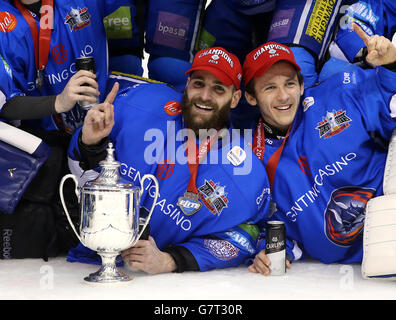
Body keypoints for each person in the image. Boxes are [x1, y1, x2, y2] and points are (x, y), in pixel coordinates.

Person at [65, 46, 271, 274]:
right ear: (188, 84)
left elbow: (246, 236)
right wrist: (90, 142)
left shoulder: (246, 174)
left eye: (218, 89)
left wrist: (171, 260)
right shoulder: (139, 103)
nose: (204, 96)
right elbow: (77, 171)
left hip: (158, 286)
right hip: (83, 256)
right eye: (198, 83)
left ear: (235, 99)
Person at [242, 24, 396, 275]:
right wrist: (270, 250)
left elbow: (390, 101)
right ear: (251, 98)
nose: (283, 97)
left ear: (302, 86)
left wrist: (391, 66)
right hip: (353, 274)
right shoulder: (250, 157)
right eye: (270, 88)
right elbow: (266, 225)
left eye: (289, 84)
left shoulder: (340, 95)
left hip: (389, 229)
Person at [0, 0, 123, 134]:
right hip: (45, 133)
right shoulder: (5, 22)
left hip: (106, 110)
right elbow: (6, 103)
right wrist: (58, 102)